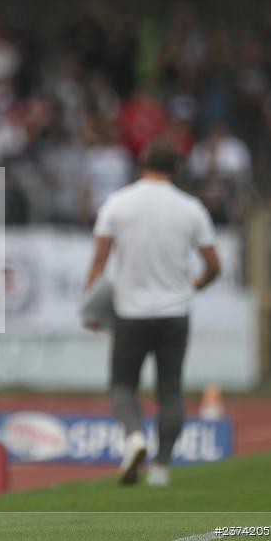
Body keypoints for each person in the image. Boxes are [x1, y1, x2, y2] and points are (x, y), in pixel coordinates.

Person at [83, 139, 221, 487]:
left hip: (130, 312)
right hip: (175, 312)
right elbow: (213, 265)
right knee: (170, 392)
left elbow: (100, 259)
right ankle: (160, 468)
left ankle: (134, 436)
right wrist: (196, 284)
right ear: (177, 168)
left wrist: (90, 307)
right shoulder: (191, 208)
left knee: (122, 386)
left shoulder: (118, 203)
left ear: (141, 163)